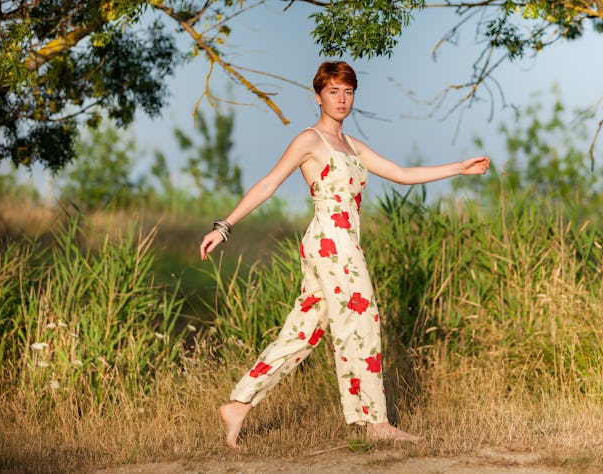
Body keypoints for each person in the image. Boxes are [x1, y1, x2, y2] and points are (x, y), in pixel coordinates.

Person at [199, 61, 490, 449]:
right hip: (331, 242)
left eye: (348, 91)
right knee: (364, 318)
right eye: (333, 91)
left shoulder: (352, 146)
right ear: (317, 95)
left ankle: (239, 403)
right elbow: (269, 183)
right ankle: (375, 422)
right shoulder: (309, 140)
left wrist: (459, 168)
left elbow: (401, 173)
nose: (341, 99)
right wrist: (224, 227)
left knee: (304, 331)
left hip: (343, 243)